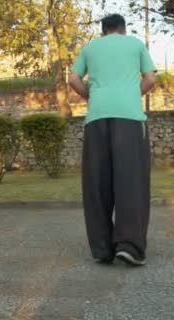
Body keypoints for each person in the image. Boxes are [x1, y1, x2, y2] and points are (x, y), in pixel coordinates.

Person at [68, 14, 157, 266]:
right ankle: (130, 246)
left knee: (97, 184)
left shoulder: (90, 48)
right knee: (131, 182)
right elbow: (150, 79)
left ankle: (102, 249)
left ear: (103, 30)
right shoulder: (136, 44)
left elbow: (73, 79)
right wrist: (131, 93)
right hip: (129, 118)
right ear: (123, 29)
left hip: (96, 119)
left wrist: (92, 97)